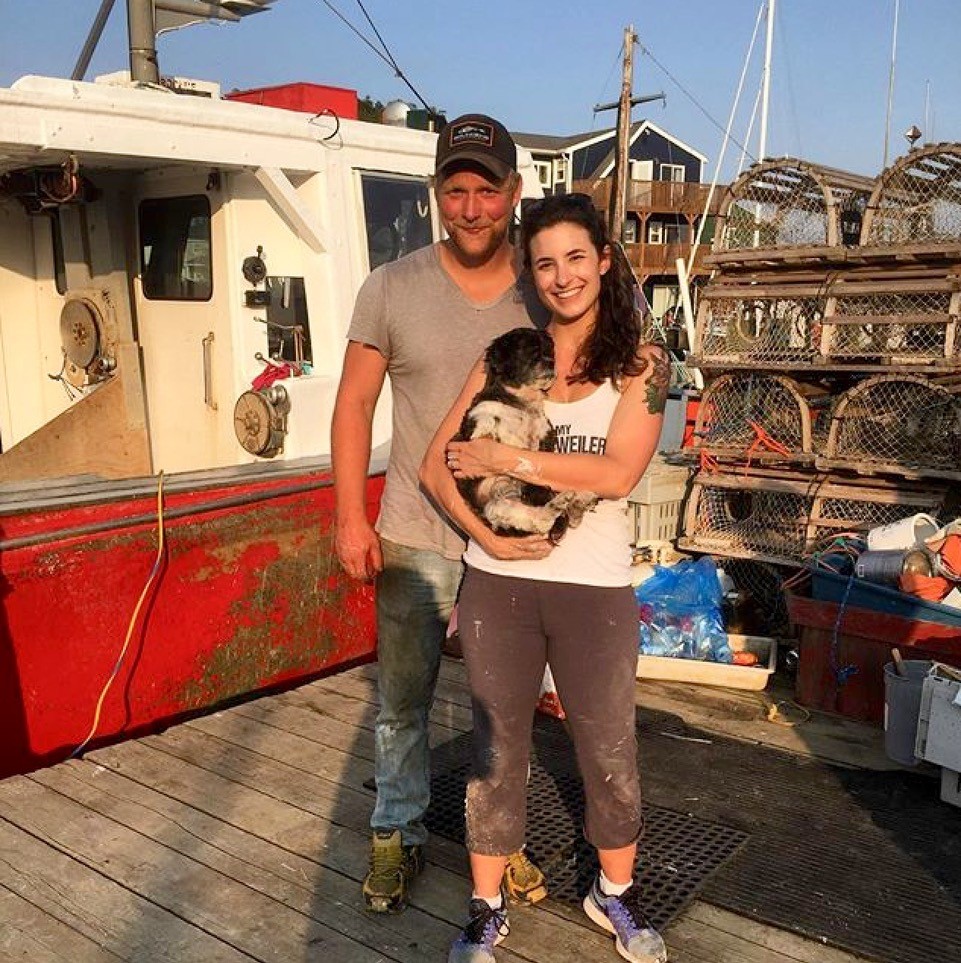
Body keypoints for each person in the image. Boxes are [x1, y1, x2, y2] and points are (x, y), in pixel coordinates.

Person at [420, 193, 670, 963]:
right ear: (529, 274)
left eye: (574, 258)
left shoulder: (642, 365)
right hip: (498, 583)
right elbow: (437, 463)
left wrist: (509, 461)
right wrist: (484, 530)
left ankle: (613, 895)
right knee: (495, 752)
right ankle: (486, 909)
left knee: (607, 747)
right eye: (543, 262)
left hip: (593, 587)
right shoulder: (506, 355)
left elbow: (617, 471)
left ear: (602, 260)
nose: (561, 277)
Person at [331, 113, 550, 914]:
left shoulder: (547, 288)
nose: (470, 208)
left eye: (485, 191)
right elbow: (353, 405)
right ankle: (397, 834)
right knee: (402, 704)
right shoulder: (389, 287)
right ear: (435, 196)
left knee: (508, 703)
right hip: (415, 536)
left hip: (515, 543)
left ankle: (504, 840)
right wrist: (351, 518)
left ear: (513, 195)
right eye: (453, 190)